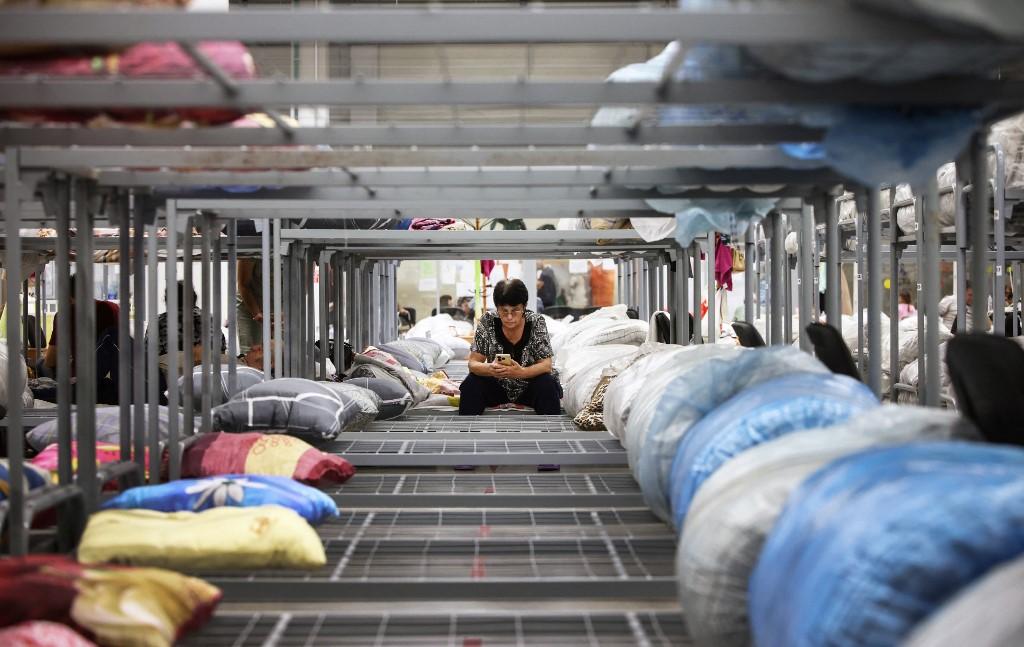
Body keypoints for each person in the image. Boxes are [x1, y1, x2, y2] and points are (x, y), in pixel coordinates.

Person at [459, 278, 562, 415]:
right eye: (504, 311)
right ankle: (468, 432)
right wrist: (490, 369)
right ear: (497, 308)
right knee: (470, 384)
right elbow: (473, 363)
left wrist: (521, 372)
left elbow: (546, 365)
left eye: (515, 310)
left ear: (524, 306)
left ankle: (551, 432)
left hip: (529, 387)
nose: (509, 317)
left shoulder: (536, 322)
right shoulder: (487, 321)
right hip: (498, 387)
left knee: (547, 385)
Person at [42, 273, 121, 403]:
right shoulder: (112, 308)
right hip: (113, 378)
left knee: (41, 363)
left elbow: (50, 361)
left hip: (80, 379)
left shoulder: (65, 315)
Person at [144, 280, 226, 367]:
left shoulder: (158, 322)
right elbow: (221, 350)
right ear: (194, 298)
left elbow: (147, 356)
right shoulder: (209, 319)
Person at [236, 258, 268, 355]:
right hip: (249, 305)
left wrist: (284, 313)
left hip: (282, 306)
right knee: (251, 353)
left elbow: (303, 286)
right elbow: (243, 284)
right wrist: (256, 313)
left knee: (281, 352)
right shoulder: (252, 248)